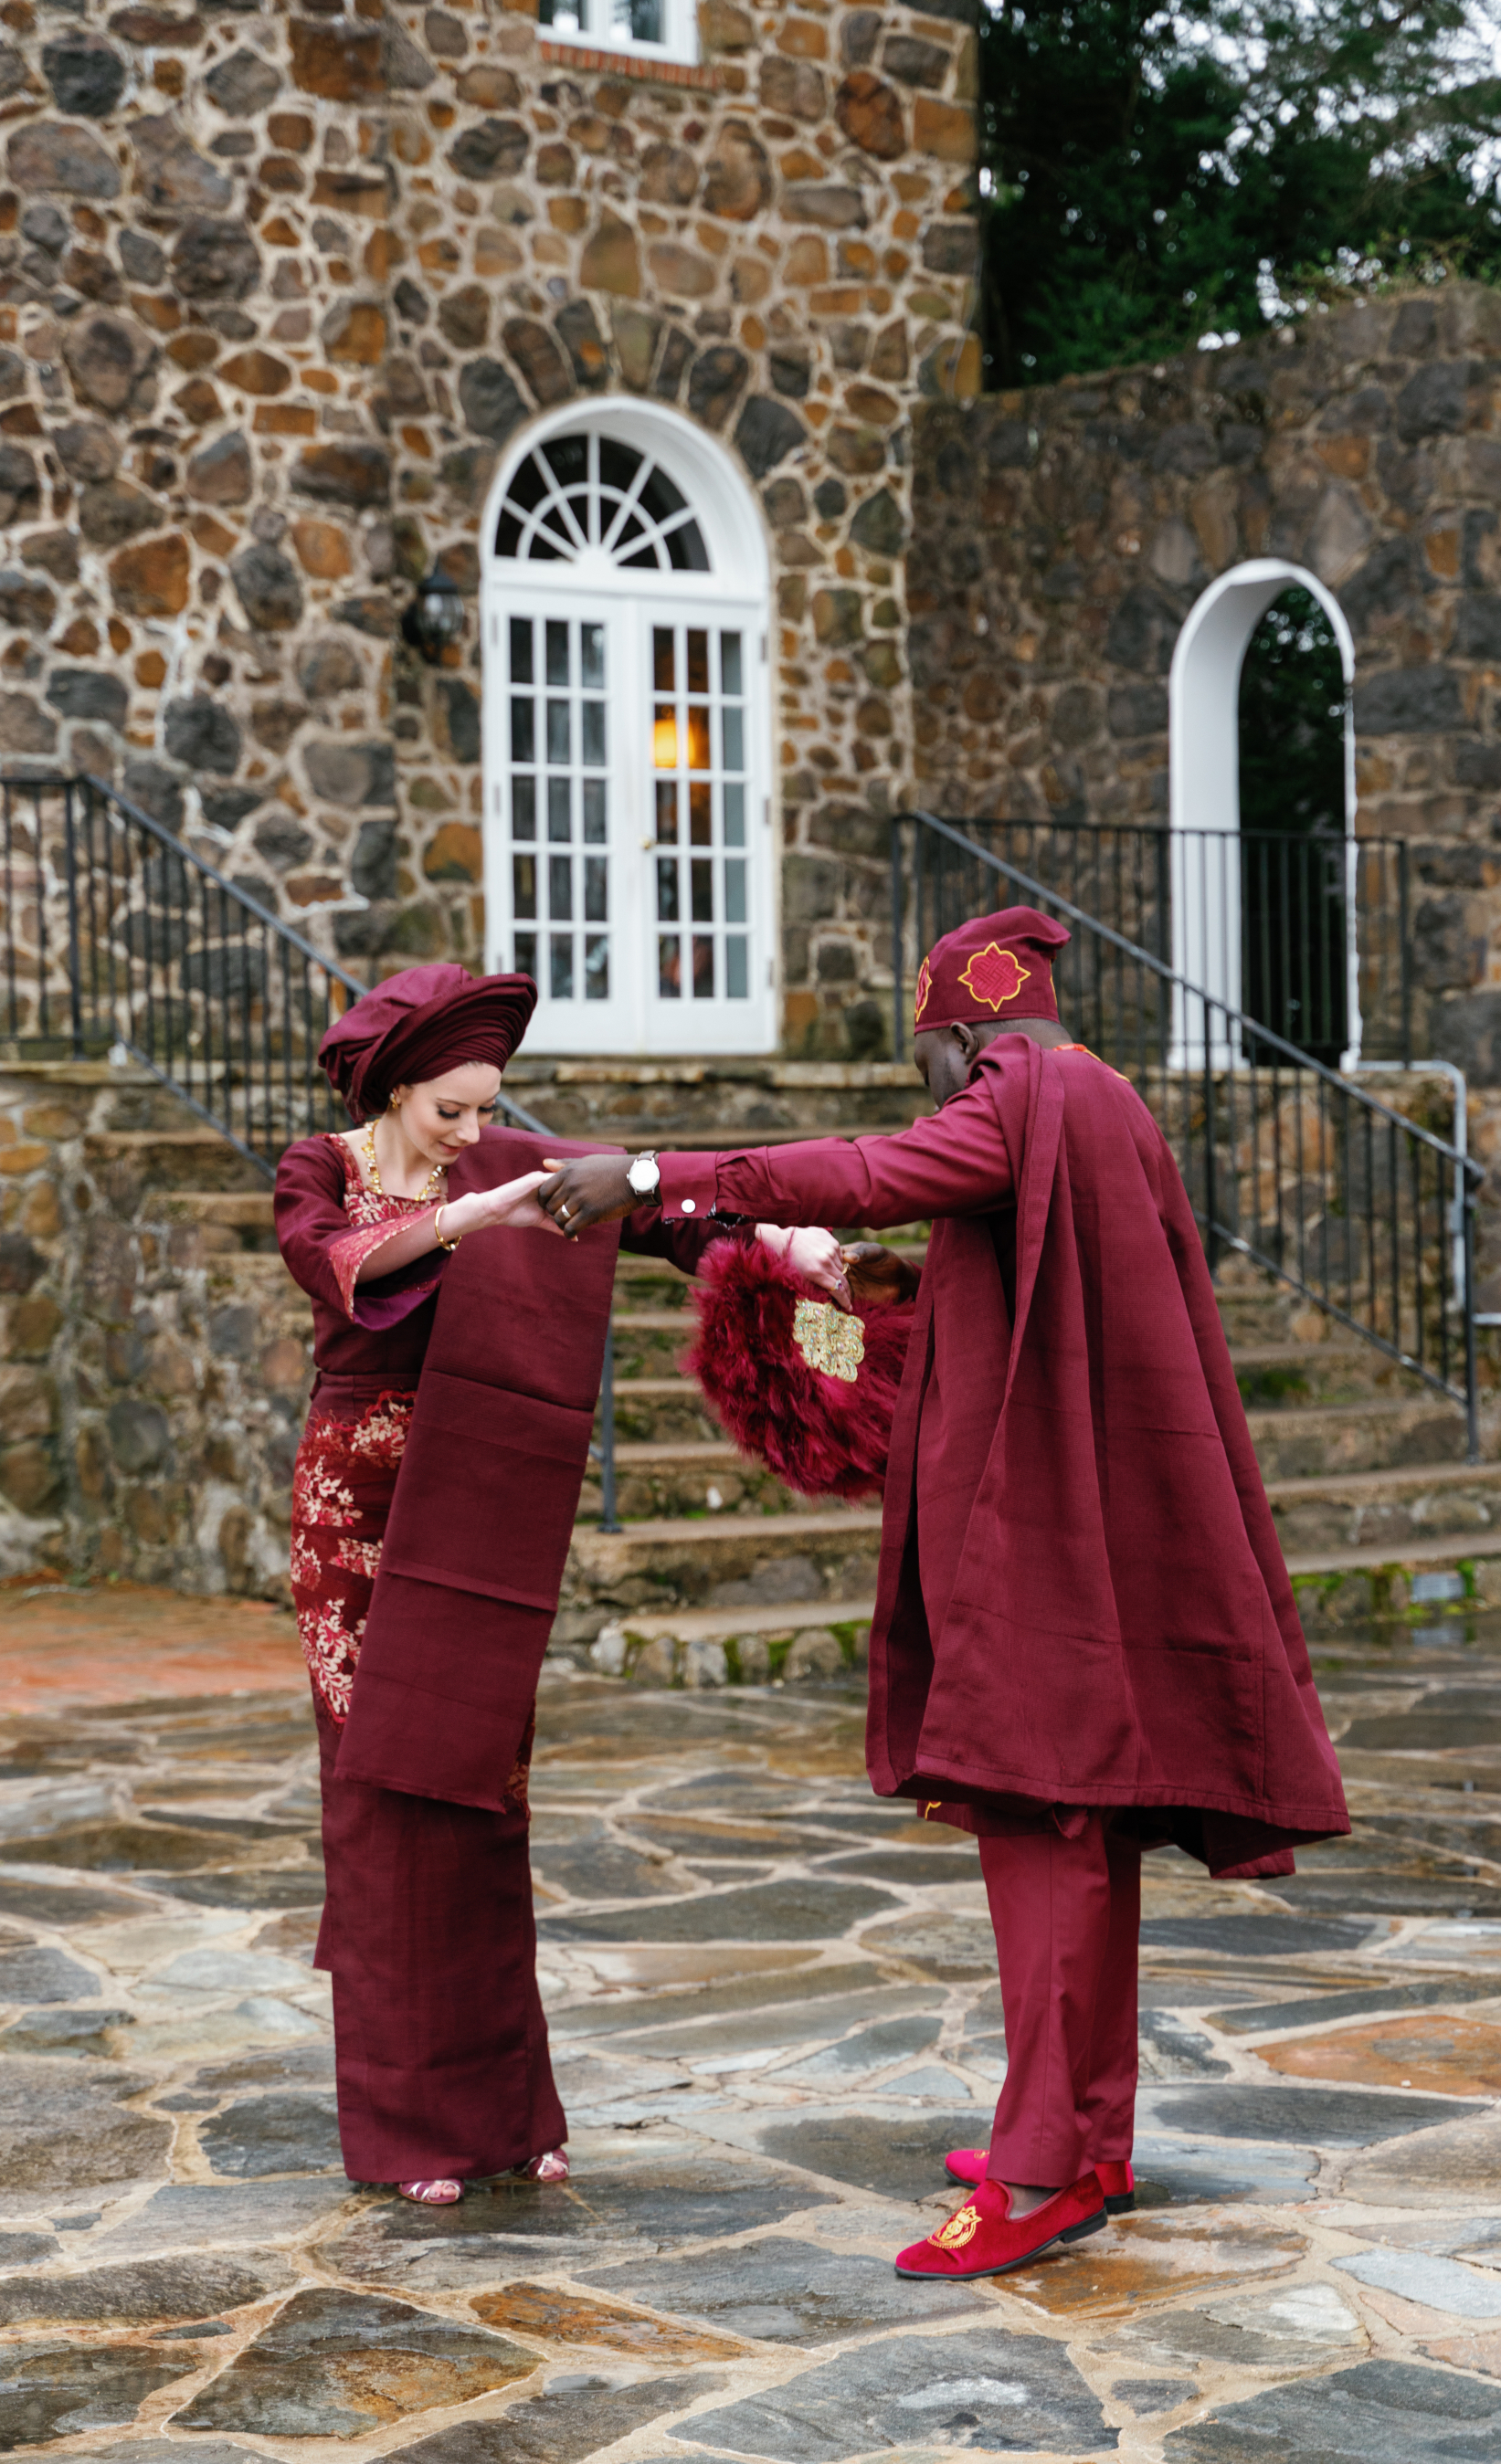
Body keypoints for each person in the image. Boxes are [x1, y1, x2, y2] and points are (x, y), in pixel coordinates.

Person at [534, 906, 1350, 2284]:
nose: (937, 1095)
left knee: (1042, 1816)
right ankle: (1090, 2138)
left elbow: (867, 1171)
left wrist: (652, 1170)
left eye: (932, 1067)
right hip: (1092, 1514)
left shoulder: (1026, 1094)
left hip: (1047, 1537)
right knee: (1078, 1820)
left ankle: (1037, 2176)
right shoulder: (1102, 1102)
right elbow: (1026, 1271)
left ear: (966, 1034)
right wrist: (892, 1276)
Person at [274, 962, 831, 2208]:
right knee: (382, 1800)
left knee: (484, 1792)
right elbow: (334, 1261)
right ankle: (410, 2129)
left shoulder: (506, 1162)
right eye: (451, 1111)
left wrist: (791, 1246)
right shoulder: (321, 1169)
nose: (475, 1131)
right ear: (395, 1090)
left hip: (476, 1502)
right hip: (353, 1518)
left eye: (489, 1107)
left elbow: (663, 1209)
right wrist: (477, 1216)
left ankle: (511, 2114)